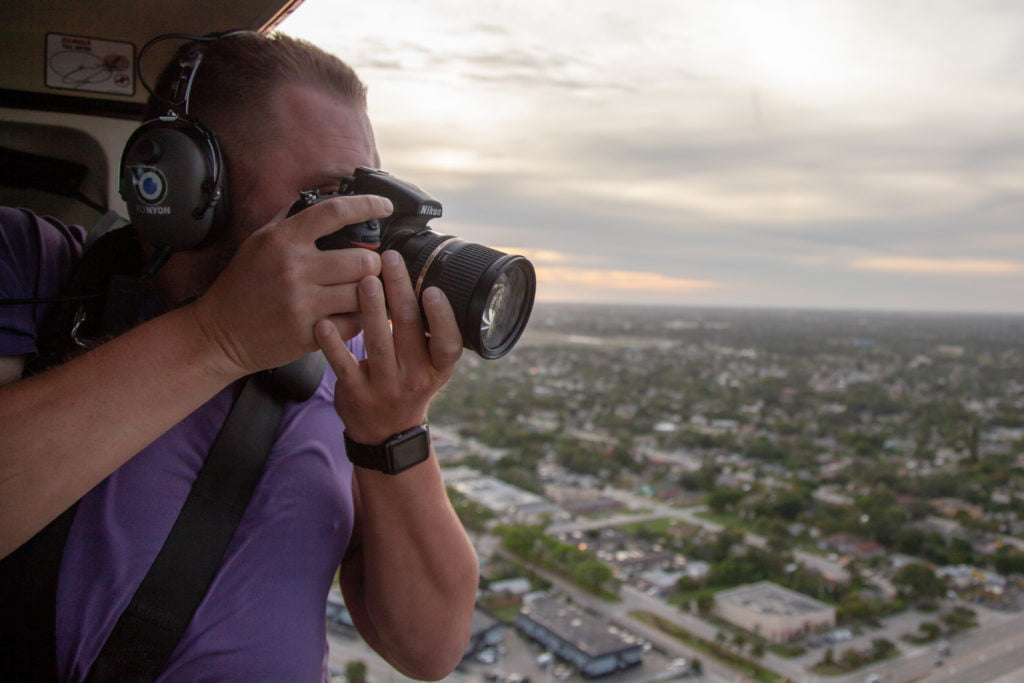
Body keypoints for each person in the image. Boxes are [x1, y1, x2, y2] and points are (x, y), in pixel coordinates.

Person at [0, 32, 478, 681]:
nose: (352, 228)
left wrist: (396, 431)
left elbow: (429, 648)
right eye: (324, 197)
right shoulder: (30, 263)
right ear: (187, 182)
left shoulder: (346, 357)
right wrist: (216, 339)